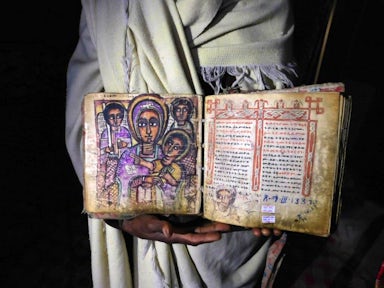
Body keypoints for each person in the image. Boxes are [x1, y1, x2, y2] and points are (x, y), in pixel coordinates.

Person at [65, 1, 299, 287]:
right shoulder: (107, 6)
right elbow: (85, 94)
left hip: (233, 232)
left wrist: (274, 197)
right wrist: (122, 215)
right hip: (143, 221)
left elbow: (276, 111)